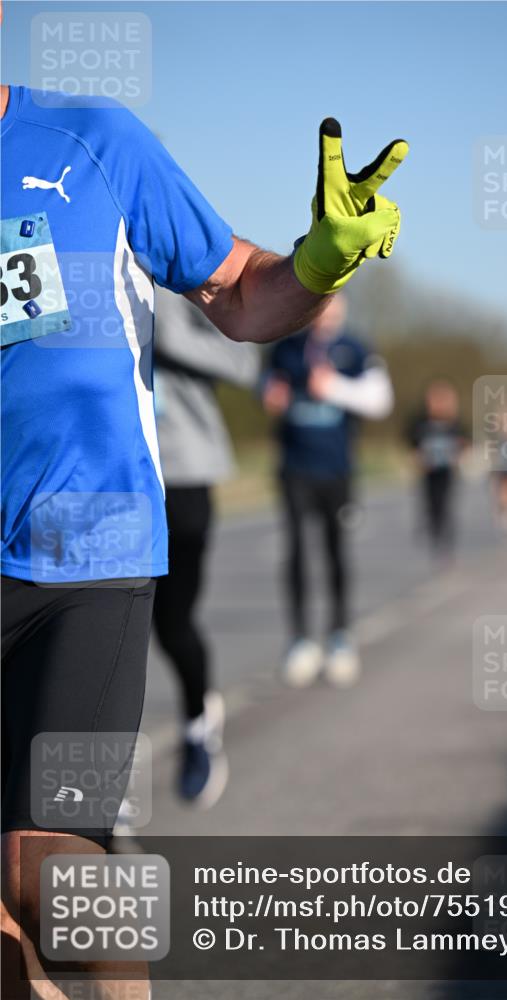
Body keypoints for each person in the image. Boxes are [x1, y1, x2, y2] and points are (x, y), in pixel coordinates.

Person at [0, 57, 408, 999]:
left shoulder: (94, 141)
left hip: (85, 538)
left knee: (48, 862)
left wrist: (315, 261)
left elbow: (239, 292)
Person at [152, 284, 259, 805]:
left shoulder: (180, 268)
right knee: (102, 631)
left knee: (172, 625)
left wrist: (163, 330)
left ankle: (198, 724)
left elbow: (246, 362)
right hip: (102, 474)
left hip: (183, 473)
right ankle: (102, 797)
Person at [262, 295, 394, 688]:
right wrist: (270, 394)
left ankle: (339, 636)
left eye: (333, 304)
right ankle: (300, 640)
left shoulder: (355, 348)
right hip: (295, 468)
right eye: (319, 304)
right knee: (297, 549)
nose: (325, 313)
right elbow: (266, 384)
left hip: (337, 471)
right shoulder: (285, 346)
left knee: (335, 551)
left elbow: (380, 401)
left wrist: (333, 387)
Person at [406, 379, 465, 554]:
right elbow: (412, 443)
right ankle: (433, 530)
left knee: (445, 502)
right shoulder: (420, 423)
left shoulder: (453, 423)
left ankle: (445, 538)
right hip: (428, 469)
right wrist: (417, 458)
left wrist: (458, 456)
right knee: (430, 502)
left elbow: (464, 443)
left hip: (447, 470)